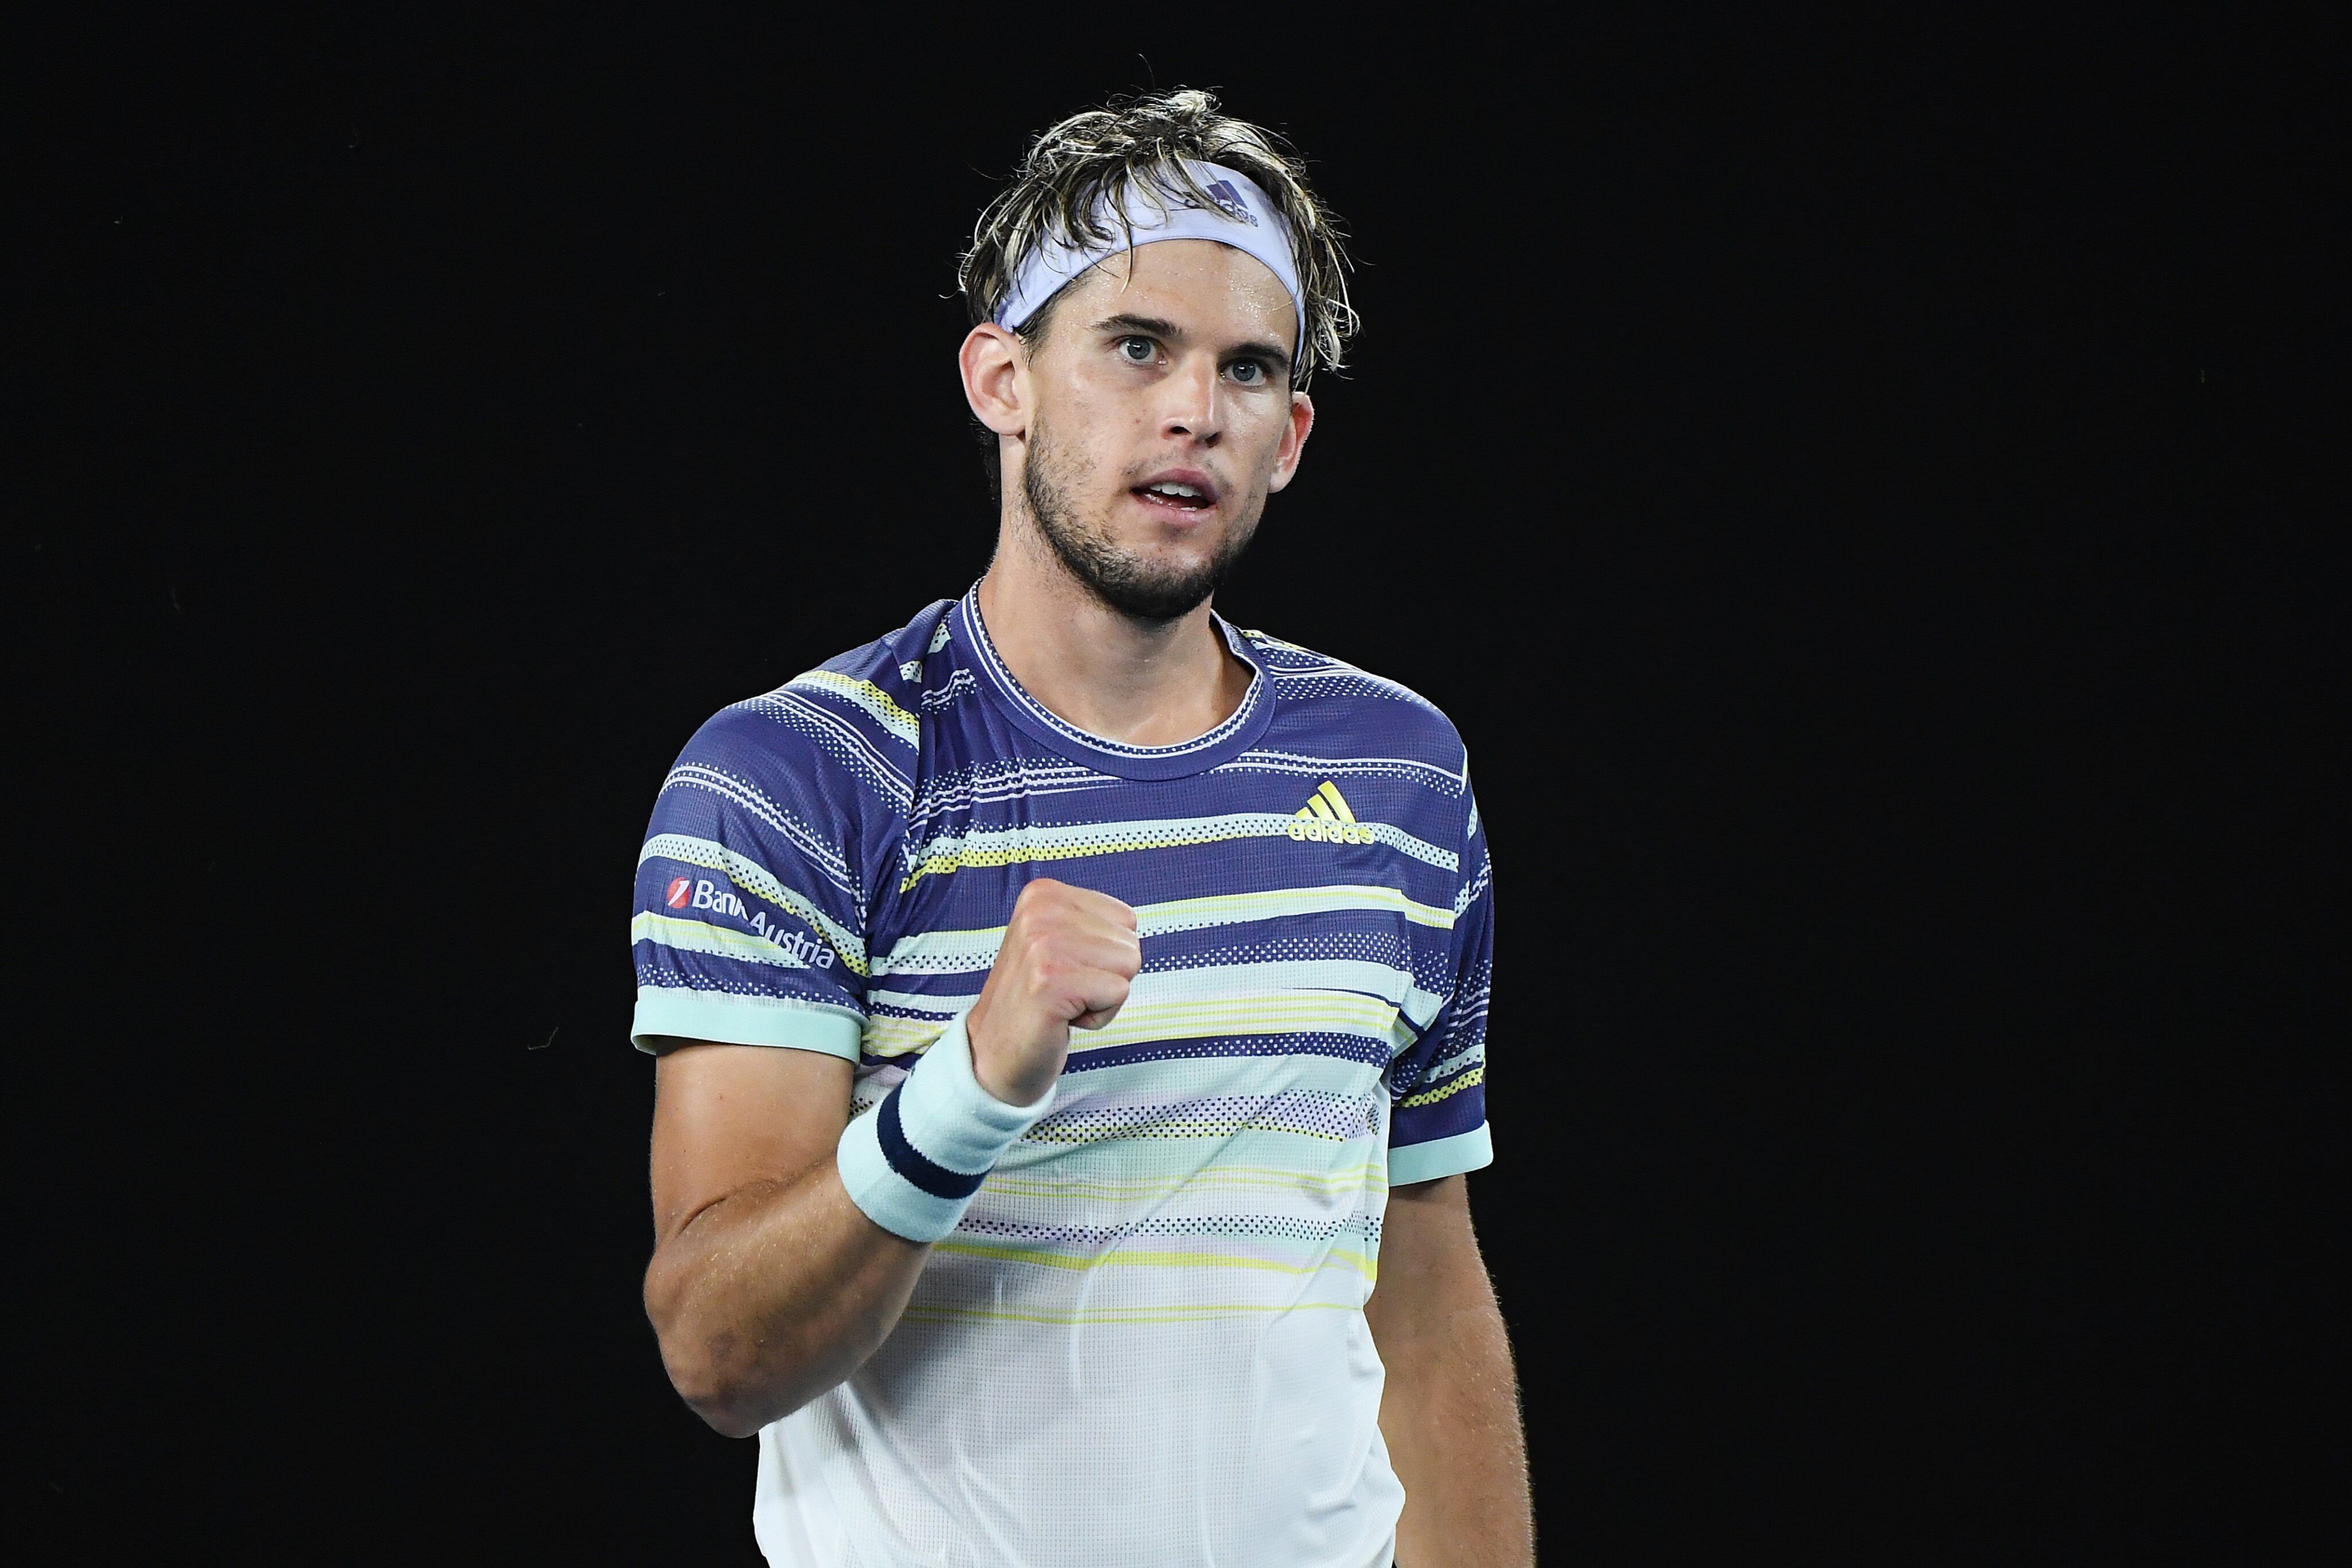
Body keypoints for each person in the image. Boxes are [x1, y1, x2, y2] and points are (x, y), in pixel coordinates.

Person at [631, 89, 1531, 1567]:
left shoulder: (1402, 775)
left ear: (1290, 436)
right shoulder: (796, 775)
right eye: (1135, 347)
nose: (1196, 410)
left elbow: (1422, 1288)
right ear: (1002, 379)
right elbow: (722, 1353)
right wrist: (969, 1087)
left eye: (1249, 370)